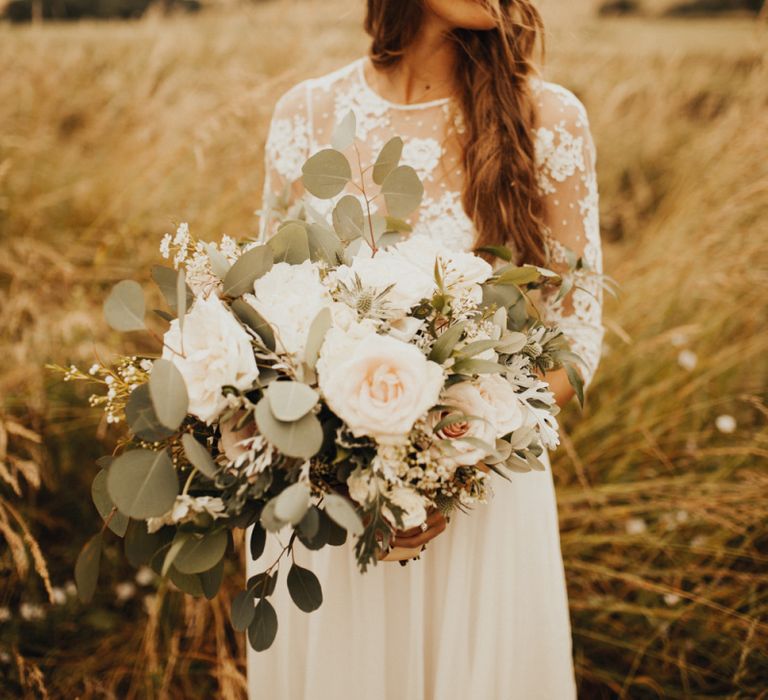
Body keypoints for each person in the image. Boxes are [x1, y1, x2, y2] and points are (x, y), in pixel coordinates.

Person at [247, 1, 604, 697]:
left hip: (480, 501)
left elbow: (577, 334)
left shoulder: (549, 119)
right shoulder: (308, 114)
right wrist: (347, 467)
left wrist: (446, 460)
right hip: (334, 505)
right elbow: (267, 311)